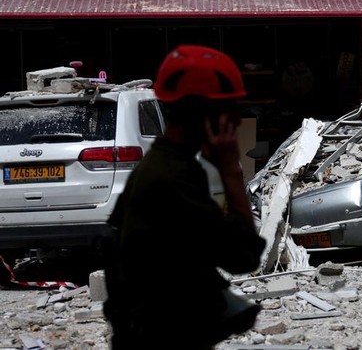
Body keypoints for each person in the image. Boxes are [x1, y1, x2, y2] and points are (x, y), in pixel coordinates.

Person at [102, 45, 266, 349]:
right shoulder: (171, 178)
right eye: (230, 111)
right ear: (206, 115)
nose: (237, 122)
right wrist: (231, 170)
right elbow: (243, 256)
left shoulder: (169, 166)